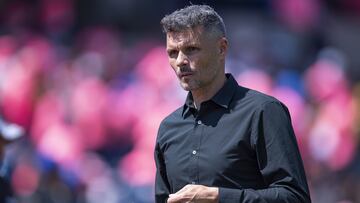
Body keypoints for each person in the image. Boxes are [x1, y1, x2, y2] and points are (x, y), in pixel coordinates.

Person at [154, 4, 311, 203]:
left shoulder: (263, 112)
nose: (180, 61)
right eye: (172, 53)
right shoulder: (168, 127)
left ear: (222, 49)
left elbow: (295, 198)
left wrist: (219, 196)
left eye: (191, 49)